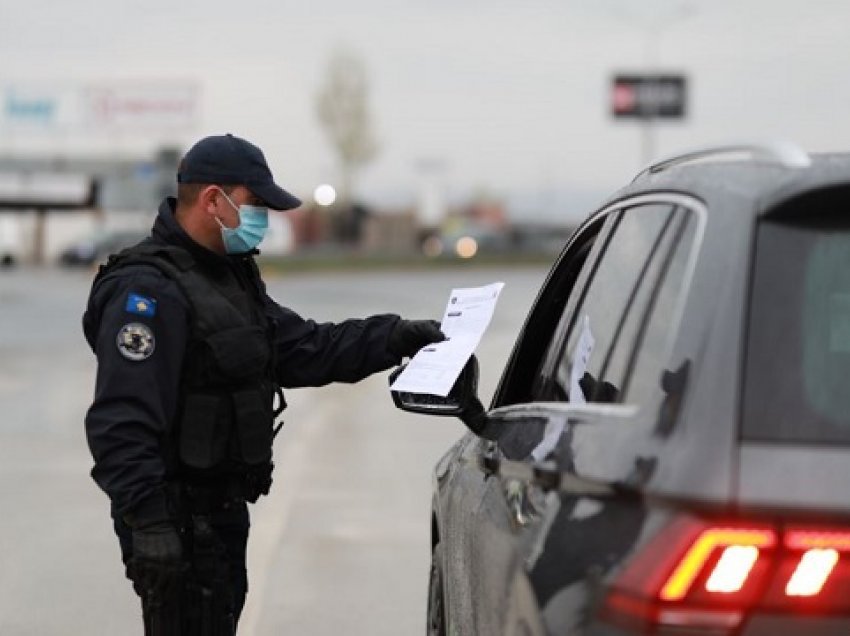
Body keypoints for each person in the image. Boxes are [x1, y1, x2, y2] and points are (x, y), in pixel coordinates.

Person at [82, 133, 444, 634]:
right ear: (213, 200)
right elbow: (121, 422)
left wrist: (396, 336)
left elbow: (305, 349)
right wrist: (149, 525)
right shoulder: (147, 292)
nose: (264, 221)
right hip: (176, 524)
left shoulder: (227, 279)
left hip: (222, 519)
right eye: (255, 206)